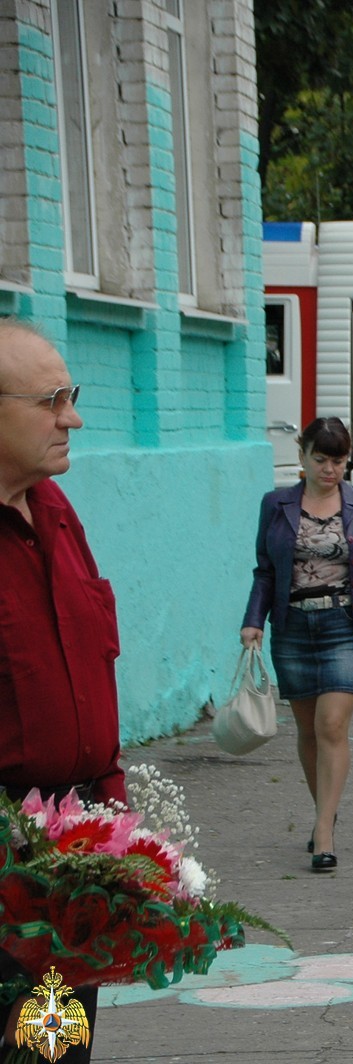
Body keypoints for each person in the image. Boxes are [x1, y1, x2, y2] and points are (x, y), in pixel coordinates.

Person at [0, 319, 120, 1062]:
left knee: (53, 1052)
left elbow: (91, 665)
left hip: (73, 850)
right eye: (52, 401)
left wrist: (119, 830)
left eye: (70, 396)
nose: (71, 417)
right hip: (8, 850)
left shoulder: (54, 510)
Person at [241, 417, 353, 873]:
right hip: (292, 628)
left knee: (331, 724)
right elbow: (265, 570)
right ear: (302, 454)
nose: (329, 469)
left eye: (338, 461)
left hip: (346, 625)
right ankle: (326, 810)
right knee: (307, 732)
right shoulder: (275, 504)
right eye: (320, 458)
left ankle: (324, 832)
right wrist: (253, 621)